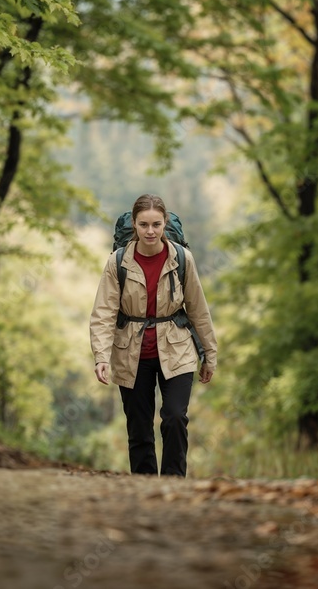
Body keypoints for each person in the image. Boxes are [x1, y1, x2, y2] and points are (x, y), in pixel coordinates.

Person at [90, 193, 218, 477]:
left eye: (156, 224)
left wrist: (209, 354)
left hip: (177, 350)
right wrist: (101, 357)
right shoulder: (117, 262)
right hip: (131, 353)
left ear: (165, 224)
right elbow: (103, 313)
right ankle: (145, 489)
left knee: (174, 418)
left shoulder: (183, 258)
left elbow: (198, 309)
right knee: (139, 427)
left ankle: (173, 484)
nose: (150, 231)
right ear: (134, 225)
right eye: (144, 224)